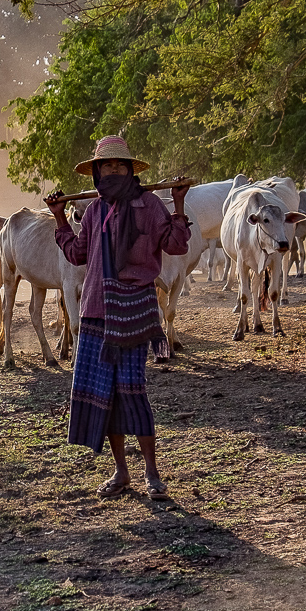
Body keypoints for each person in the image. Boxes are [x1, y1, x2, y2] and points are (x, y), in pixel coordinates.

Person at [46, 135, 192, 500]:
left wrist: (178, 203)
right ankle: (121, 472)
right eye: (106, 166)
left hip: (133, 311)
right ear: (96, 173)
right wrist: (60, 217)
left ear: (130, 170)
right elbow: (78, 254)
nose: (113, 171)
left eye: (119, 165)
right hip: (96, 311)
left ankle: (153, 474)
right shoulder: (94, 211)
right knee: (105, 395)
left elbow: (176, 245)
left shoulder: (150, 205)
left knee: (133, 392)